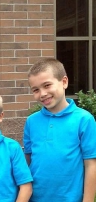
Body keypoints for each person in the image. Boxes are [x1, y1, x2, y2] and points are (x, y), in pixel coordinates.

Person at [24, 58, 96, 201]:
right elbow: (28, 162)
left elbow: (91, 164)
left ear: (64, 82)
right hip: (36, 198)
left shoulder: (84, 119)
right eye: (36, 90)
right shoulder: (31, 121)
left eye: (47, 85)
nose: (43, 93)